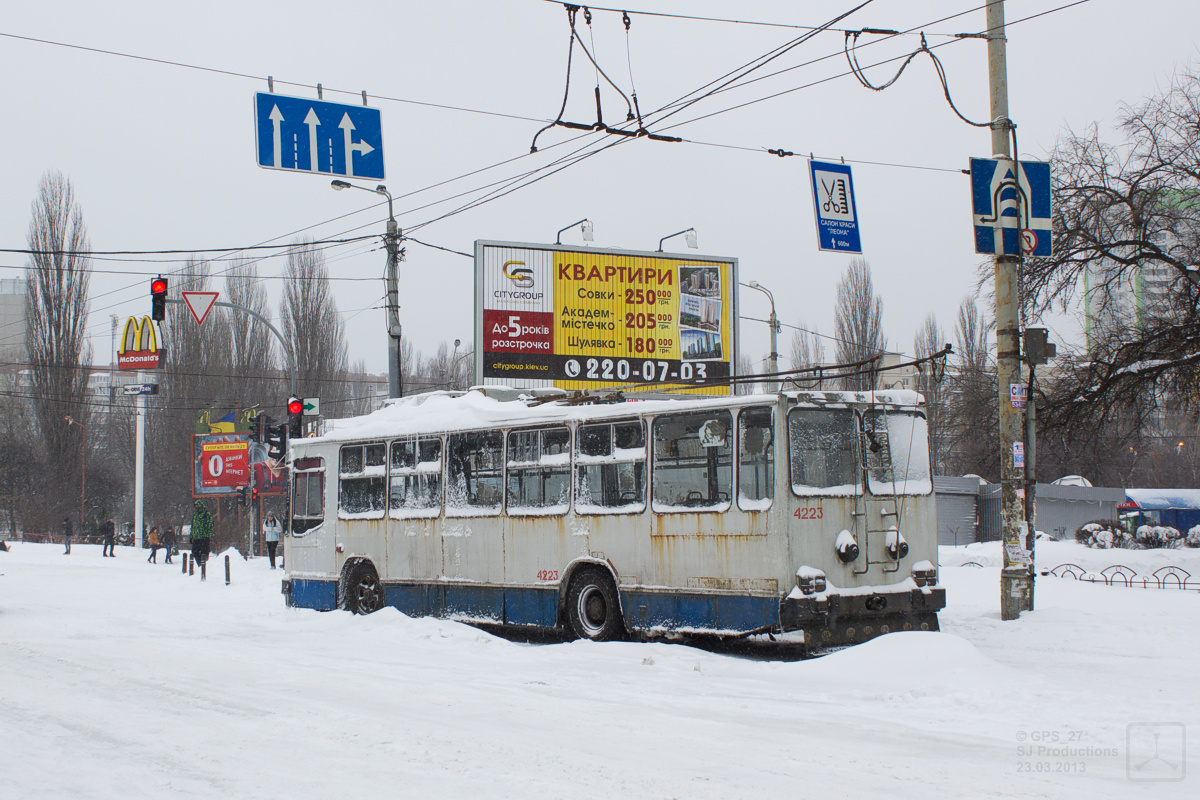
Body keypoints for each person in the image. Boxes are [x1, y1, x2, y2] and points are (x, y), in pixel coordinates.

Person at [190, 500, 213, 572]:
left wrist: (208, 535)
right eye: (196, 506)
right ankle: (200, 566)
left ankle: (205, 567)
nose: (197, 508)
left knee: (204, 553)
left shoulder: (206, 514)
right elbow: (193, 526)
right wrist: (191, 536)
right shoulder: (195, 515)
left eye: (198, 506)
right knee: (194, 552)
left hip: (204, 537)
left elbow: (210, 525)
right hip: (196, 537)